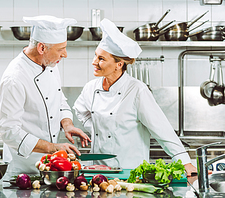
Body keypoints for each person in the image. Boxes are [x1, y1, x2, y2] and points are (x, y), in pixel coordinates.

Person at [73, 18, 197, 176]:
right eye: (96, 56)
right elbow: (80, 111)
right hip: (97, 171)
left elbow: (160, 127)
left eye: (101, 59)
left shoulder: (137, 90)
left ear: (119, 64)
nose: (94, 62)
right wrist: (97, 129)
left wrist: (183, 160)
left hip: (130, 171)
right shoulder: (91, 87)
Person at [0, 15, 91, 179]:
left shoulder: (50, 64)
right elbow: (9, 132)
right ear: (42, 48)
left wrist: (67, 124)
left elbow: (58, 99)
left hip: (49, 167)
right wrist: (53, 148)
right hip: (23, 169)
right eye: (61, 49)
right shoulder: (14, 78)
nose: (65, 55)